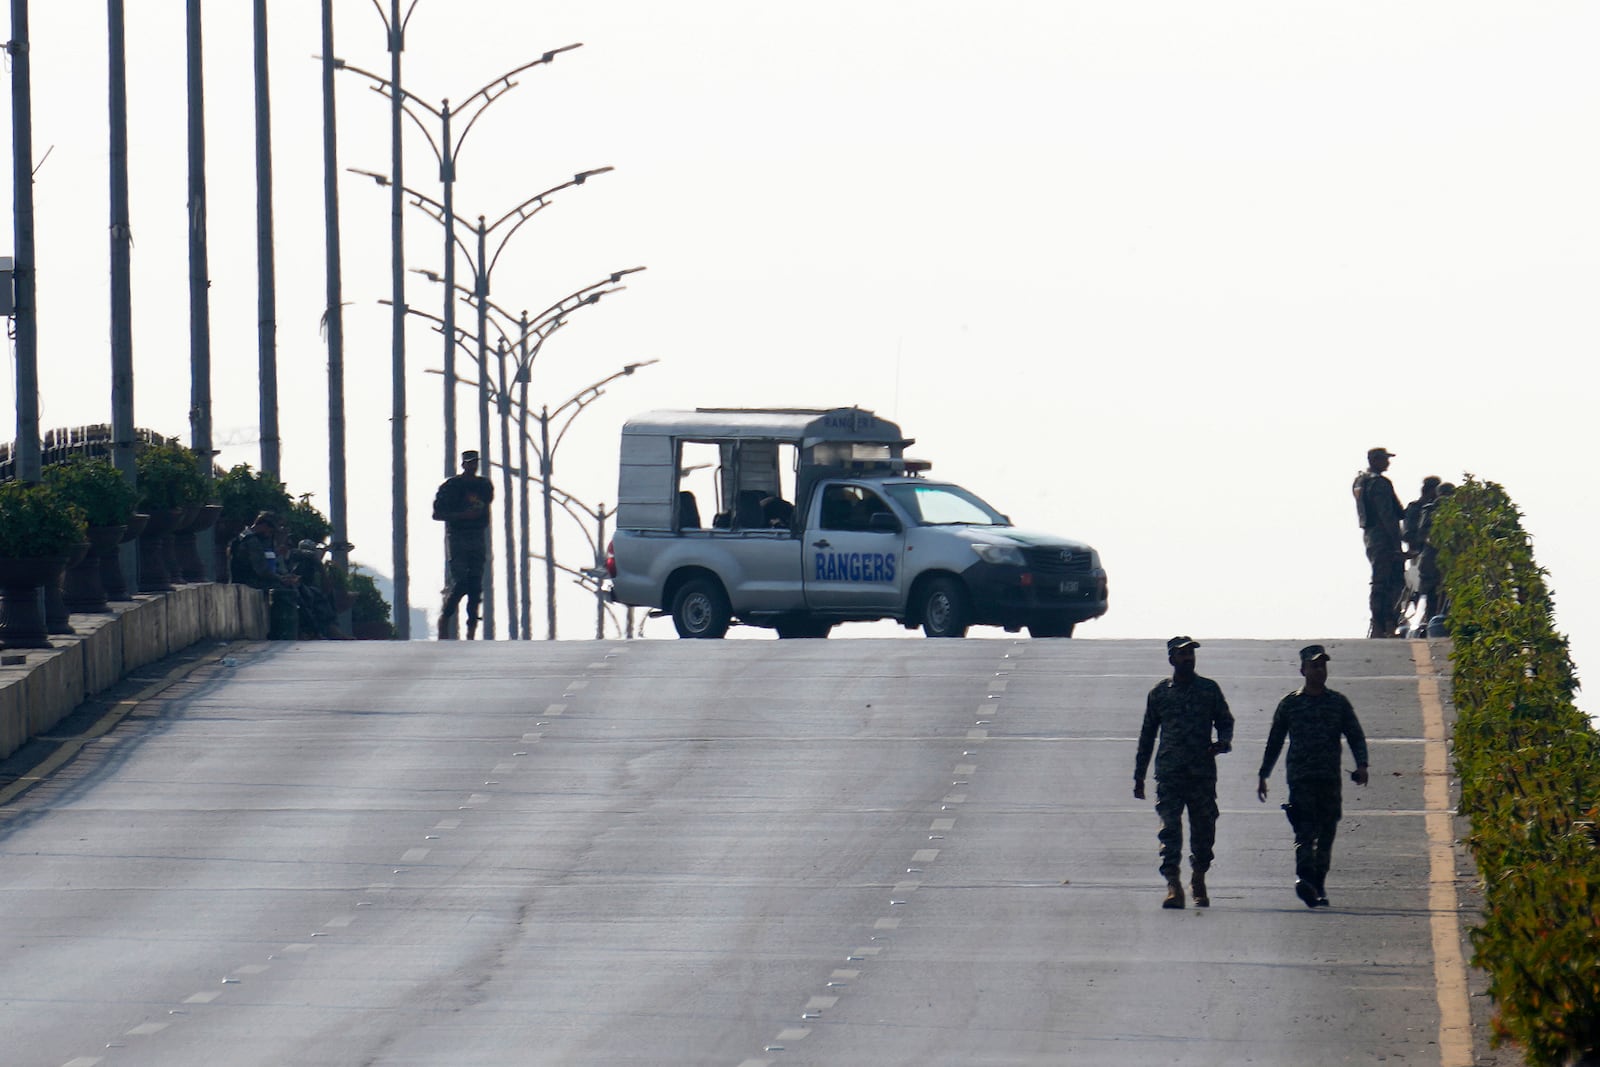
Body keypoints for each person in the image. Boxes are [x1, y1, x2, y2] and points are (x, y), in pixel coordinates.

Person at [1256, 644, 1370, 908]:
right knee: (1305, 831)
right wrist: (1264, 774)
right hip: (1301, 778)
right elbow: (1274, 741)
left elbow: (1354, 734)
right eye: (1314, 665)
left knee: (1327, 833)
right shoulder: (1290, 704)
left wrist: (1362, 764)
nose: (1319, 670)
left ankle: (1318, 883)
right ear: (1303, 670)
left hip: (1330, 778)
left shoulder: (1338, 703)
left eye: (1322, 665)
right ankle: (1304, 879)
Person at [1133, 636, 1235, 909]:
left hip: (1201, 774)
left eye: (1191, 653)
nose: (1188, 658)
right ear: (1171, 659)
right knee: (1170, 830)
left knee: (1204, 829)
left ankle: (1199, 876)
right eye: (1182, 654)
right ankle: (1173, 885)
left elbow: (1225, 720)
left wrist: (1223, 742)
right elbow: (1147, 735)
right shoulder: (1160, 693)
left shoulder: (1209, 690)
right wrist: (1139, 776)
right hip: (1169, 773)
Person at [433, 450, 494, 639]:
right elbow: (437, 514)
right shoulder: (451, 487)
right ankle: (446, 615)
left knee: (475, 583)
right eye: (469, 463)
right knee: (461, 582)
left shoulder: (484, 486)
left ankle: (472, 627)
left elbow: (485, 505)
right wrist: (460, 516)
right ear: (463, 465)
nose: (472, 466)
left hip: (477, 536)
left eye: (475, 462)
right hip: (458, 537)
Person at [1352, 447, 1406, 638]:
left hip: (1370, 537)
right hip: (1384, 537)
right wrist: (1396, 544)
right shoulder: (1379, 483)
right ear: (1375, 460)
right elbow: (1389, 515)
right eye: (1384, 459)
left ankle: (1379, 624)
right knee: (1391, 581)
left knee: (1379, 580)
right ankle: (1386, 623)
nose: (1388, 462)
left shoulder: (1360, 482)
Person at [229, 511, 298, 592]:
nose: (270, 534)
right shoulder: (252, 541)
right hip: (249, 583)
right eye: (271, 531)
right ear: (264, 525)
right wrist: (281, 579)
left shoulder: (244, 536)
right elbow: (262, 570)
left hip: (245, 581)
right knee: (287, 591)